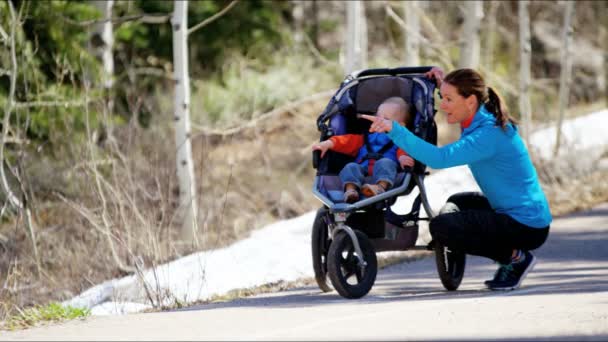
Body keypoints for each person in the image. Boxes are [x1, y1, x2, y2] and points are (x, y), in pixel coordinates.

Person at [360, 67, 552, 291]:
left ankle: (516, 258)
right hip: (514, 213)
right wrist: (443, 85)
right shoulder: (479, 119)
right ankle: (479, 248)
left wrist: (395, 130)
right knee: (458, 202)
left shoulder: (487, 135)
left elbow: (439, 158)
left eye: (448, 99)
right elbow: (461, 103)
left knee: (443, 227)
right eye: (443, 98)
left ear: (470, 101)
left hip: (525, 226)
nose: (443, 106)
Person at [312, 97, 415, 203]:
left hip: (385, 172)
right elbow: (346, 141)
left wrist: (403, 157)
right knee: (350, 167)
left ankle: (379, 187)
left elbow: (404, 149)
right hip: (362, 170)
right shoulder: (365, 137)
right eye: (378, 116)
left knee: (386, 163)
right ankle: (351, 190)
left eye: (386, 119)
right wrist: (328, 143)